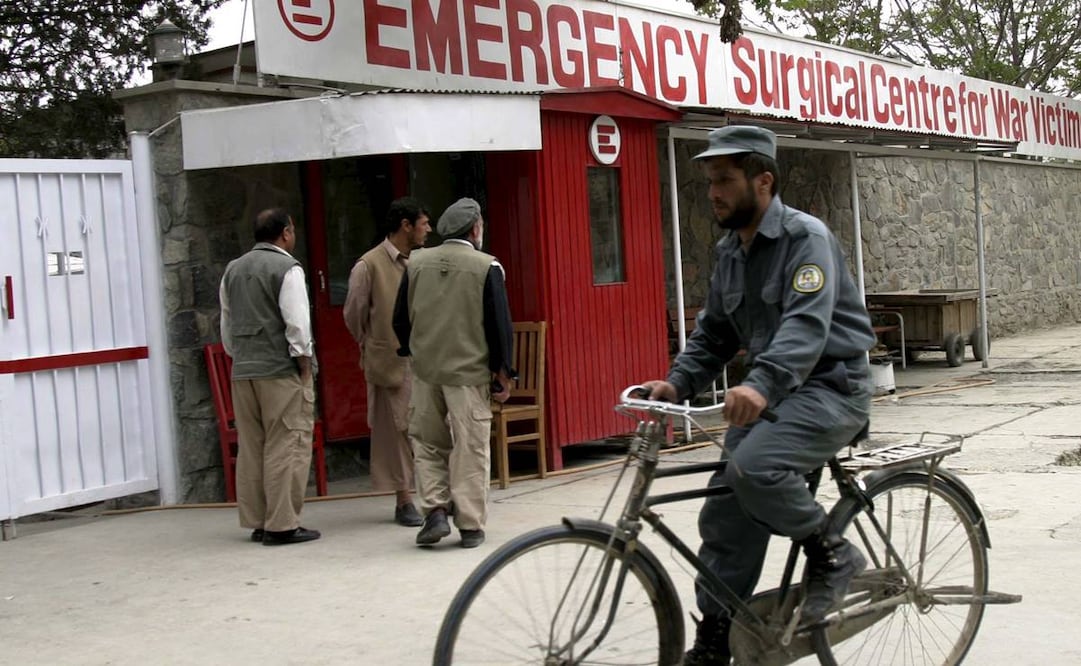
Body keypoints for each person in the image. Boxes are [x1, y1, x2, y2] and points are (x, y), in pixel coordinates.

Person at [641, 126, 876, 664]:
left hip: (831, 389)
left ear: (763, 181)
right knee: (724, 514)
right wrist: (677, 382)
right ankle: (717, 636)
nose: (713, 193)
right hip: (773, 397)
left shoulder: (805, 238)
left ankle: (833, 554)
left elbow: (805, 328)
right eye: (709, 183)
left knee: (753, 468)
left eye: (724, 180)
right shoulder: (731, 251)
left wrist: (759, 384)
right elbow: (715, 334)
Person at [392, 197, 514, 549]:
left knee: (427, 442)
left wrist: (413, 351)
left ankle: (434, 512)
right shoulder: (488, 266)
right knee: (470, 446)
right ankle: (471, 525)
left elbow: (401, 318)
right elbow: (498, 325)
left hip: (427, 370)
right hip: (469, 373)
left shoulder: (416, 263)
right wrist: (503, 371)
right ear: (475, 229)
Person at [219, 208, 321, 547]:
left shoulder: (233, 269)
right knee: (286, 444)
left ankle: (258, 521)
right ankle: (282, 524)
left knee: (253, 446)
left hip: (243, 370)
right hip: (279, 371)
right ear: (286, 232)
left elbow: (227, 323)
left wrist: (240, 357)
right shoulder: (287, 269)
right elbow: (297, 324)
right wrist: (304, 367)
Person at [343, 197, 431, 527]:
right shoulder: (368, 265)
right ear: (405, 226)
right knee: (395, 431)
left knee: (426, 426)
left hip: (425, 359)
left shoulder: (422, 261)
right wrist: (372, 343)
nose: (428, 230)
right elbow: (353, 314)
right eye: (423, 223)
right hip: (389, 361)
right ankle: (403, 498)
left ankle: (432, 494)